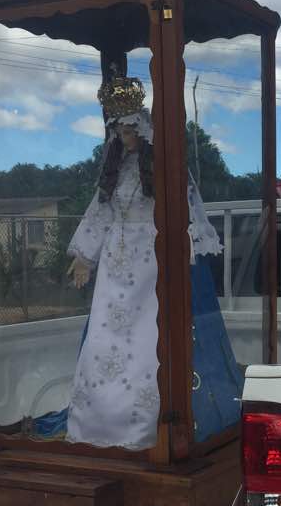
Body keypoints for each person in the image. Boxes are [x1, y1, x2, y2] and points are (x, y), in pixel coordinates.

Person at [61, 75, 227, 451]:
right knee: (104, 341)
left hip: (151, 263)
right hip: (113, 272)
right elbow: (100, 212)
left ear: (144, 127)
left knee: (147, 341)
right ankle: (95, 425)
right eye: (118, 130)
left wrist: (184, 247)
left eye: (129, 128)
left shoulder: (166, 169)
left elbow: (184, 212)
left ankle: (142, 427)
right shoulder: (115, 172)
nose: (124, 136)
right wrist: (84, 257)